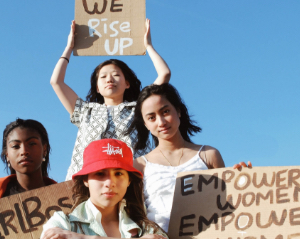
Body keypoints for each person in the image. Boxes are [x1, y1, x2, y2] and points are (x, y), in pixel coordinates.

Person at [51, 19, 171, 180]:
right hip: (86, 181)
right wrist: (69, 47)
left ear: (127, 83)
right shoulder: (84, 111)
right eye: (103, 77)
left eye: (116, 75)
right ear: (98, 88)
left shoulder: (139, 109)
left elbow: (164, 74)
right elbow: (56, 81)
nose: (110, 79)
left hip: (129, 181)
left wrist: (148, 45)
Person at [126, 84, 251, 232]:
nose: (161, 122)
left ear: (178, 111)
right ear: (146, 124)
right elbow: (136, 216)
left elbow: (226, 202)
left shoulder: (208, 155)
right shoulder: (139, 165)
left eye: (165, 112)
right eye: (151, 117)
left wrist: (245, 181)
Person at [40, 139, 167, 239]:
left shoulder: (146, 229)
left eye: (118, 174)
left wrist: (82, 238)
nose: (110, 183)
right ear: (85, 180)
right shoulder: (62, 224)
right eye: (100, 174)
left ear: (129, 180)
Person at [0, 118, 57, 206]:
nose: (24, 151)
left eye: (32, 144)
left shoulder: (66, 194)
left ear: (44, 149)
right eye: (15, 146)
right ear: (7, 155)